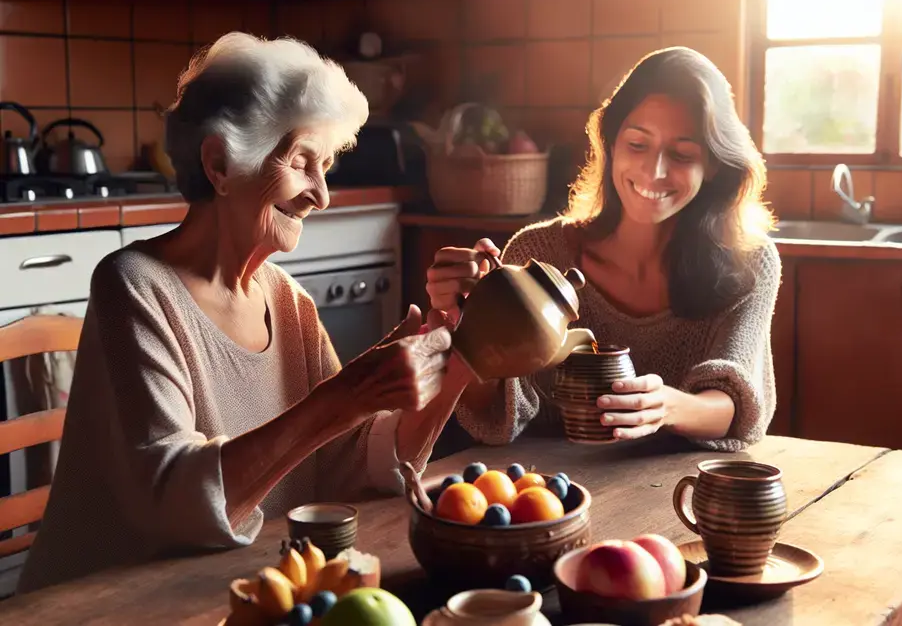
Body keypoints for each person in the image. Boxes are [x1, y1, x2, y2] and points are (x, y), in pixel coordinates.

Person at [18, 33, 465, 593]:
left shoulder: (288, 302)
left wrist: (452, 358)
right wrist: (346, 396)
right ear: (220, 163)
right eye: (303, 162)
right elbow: (173, 504)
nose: (320, 195)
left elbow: (349, 464)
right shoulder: (134, 287)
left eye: (325, 166)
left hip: (240, 589)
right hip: (111, 601)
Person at [426, 47, 780, 451]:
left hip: (675, 491)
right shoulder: (535, 252)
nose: (654, 172)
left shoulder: (749, 262)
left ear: (714, 164)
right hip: (544, 492)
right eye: (637, 145)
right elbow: (491, 414)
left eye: (682, 154)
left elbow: (737, 404)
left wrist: (667, 408)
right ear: (610, 144)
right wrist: (463, 320)